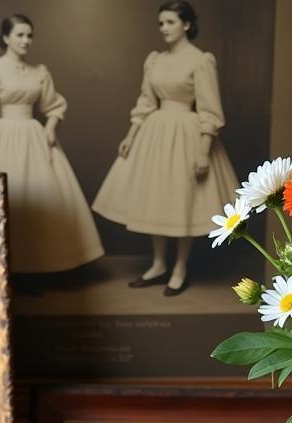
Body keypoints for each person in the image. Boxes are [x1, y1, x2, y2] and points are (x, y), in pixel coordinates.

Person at [92, 1, 239, 297]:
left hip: (187, 134)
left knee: (183, 200)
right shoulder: (154, 60)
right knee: (157, 199)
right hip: (155, 135)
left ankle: (180, 268)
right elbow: (146, 101)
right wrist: (131, 134)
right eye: (161, 23)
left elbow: (210, 108)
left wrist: (203, 149)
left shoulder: (200, 60)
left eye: (170, 22)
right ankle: (158, 264)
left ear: (186, 24)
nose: (164, 29)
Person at [0, 14, 104, 276]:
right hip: (3, 138)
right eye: (20, 35)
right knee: (10, 201)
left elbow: (54, 105)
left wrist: (50, 128)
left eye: (29, 36)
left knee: (38, 201)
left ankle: (32, 269)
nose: (26, 41)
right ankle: (2, 271)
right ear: (6, 38)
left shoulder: (39, 72)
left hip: (35, 140)